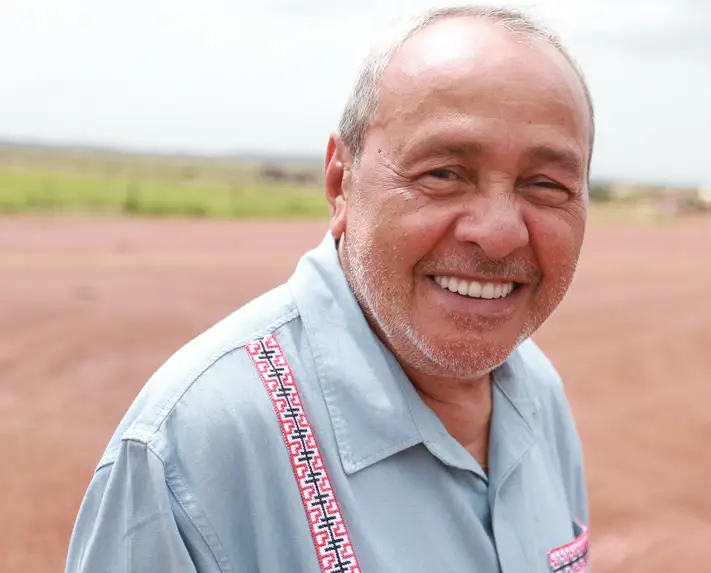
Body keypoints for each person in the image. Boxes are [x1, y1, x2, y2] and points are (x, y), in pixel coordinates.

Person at [65, 4, 595, 572]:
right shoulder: (191, 447)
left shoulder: (536, 392)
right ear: (341, 182)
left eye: (545, 184)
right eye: (443, 173)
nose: (497, 234)